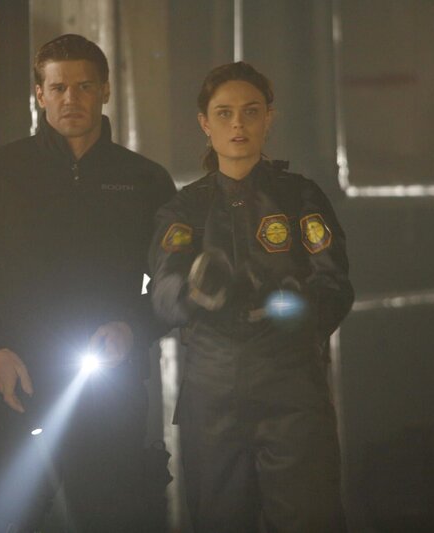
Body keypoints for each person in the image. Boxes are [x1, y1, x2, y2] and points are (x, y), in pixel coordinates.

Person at [0, 34, 175, 532]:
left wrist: (133, 328)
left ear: (105, 90)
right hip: (17, 387)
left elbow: (171, 283)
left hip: (111, 387)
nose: (72, 98)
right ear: (39, 94)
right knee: (4, 519)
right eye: (59, 87)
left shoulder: (145, 180)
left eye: (84, 86)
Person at [148, 62, 354, 532]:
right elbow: (161, 294)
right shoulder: (185, 208)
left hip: (291, 388)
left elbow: (335, 286)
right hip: (212, 395)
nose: (238, 123)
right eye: (224, 113)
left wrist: (292, 304)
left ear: (268, 118)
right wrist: (197, 291)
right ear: (205, 123)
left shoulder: (299, 198)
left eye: (250, 111)